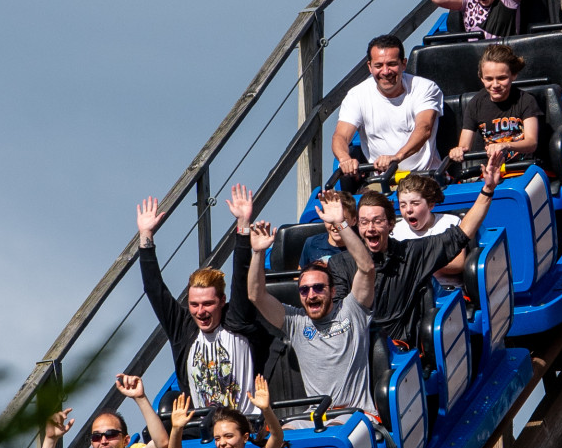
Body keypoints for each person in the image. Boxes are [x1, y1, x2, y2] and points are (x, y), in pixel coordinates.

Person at [136, 198, 271, 423]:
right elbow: (153, 288)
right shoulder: (183, 330)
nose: (200, 312)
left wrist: (243, 223)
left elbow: (241, 275)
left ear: (222, 301)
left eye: (207, 304)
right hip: (205, 430)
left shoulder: (237, 319)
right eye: (194, 305)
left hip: (246, 425)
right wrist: (146, 236)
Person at [246, 190, 378, 416]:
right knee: (284, 441)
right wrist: (258, 253)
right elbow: (255, 295)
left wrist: (341, 224)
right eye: (304, 290)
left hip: (354, 415)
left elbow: (366, 268)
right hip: (315, 417)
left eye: (318, 288)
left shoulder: (352, 311)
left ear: (333, 290)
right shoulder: (295, 323)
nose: (311, 294)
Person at [355, 157, 502, 351]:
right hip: (405, 298)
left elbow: (458, 263)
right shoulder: (395, 230)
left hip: (444, 294)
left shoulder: (448, 223)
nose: (408, 210)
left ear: (430, 204)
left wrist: (417, 265)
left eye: (415, 203)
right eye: (403, 204)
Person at [330, 36, 446, 184]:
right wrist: (344, 159)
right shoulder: (357, 95)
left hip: (424, 177)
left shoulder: (425, 88)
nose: (385, 71)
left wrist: (397, 157)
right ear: (370, 67)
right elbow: (340, 135)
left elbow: (424, 128)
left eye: (391, 64)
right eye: (378, 66)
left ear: (403, 64)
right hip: (382, 180)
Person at [448, 46, 541, 176]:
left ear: (513, 75)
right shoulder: (475, 104)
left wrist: (505, 145)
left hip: (525, 170)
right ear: (481, 78)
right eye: (489, 79)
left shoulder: (526, 101)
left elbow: (531, 143)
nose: (495, 85)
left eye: (502, 78)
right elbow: (464, 145)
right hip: (493, 172)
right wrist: (457, 151)